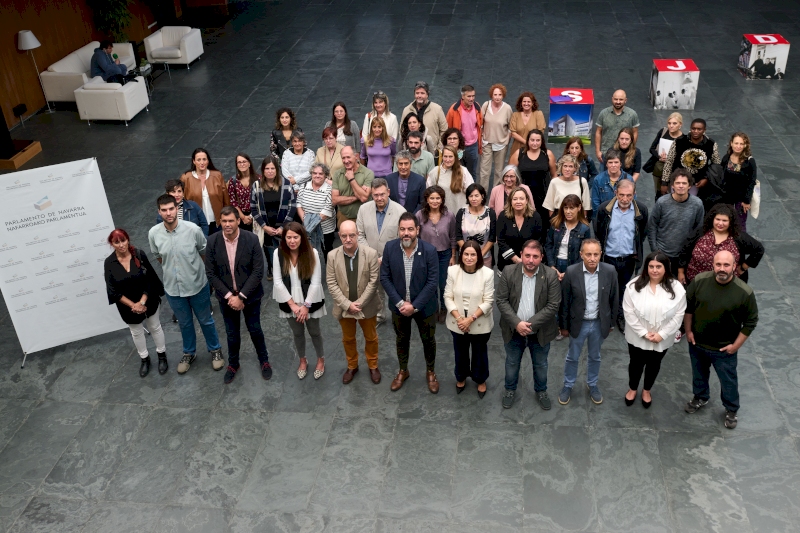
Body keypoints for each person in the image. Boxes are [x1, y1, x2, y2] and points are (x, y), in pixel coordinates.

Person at [149, 195, 224, 374]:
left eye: (171, 209)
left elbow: (204, 253)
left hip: (197, 284)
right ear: (159, 211)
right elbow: (159, 257)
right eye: (164, 210)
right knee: (184, 323)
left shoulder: (193, 229)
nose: (168, 213)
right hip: (173, 289)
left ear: (177, 208)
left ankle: (215, 350)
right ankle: (189, 353)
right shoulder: (154, 233)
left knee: (206, 320)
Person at [683, 251, 758, 430]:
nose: (722, 269)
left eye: (726, 265)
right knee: (698, 374)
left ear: (734, 266)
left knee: (728, 381)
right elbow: (689, 308)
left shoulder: (744, 292)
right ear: (713, 265)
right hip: (698, 343)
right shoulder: (700, 281)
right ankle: (700, 397)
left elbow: (750, 322)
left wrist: (735, 346)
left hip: (724, 349)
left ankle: (731, 409)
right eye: (718, 265)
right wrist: (688, 331)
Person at [204, 207, 271, 384]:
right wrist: (229, 296)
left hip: (250, 296)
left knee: (255, 330)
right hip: (226, 299)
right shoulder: (212, 241)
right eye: (224, 221)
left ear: (238, 221)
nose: (227, 225)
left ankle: (264, 361)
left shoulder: (251, 239)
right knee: (231, 333)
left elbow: (258, 271)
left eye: (231, 221)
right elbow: (211, 273)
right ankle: (233, 364)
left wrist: (240, 297)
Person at [497, 239, 561, 410]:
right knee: (511, 363)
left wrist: (529, 325)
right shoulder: (509, 272)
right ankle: (509, 390)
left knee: (540, 364)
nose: (530, 260)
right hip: (513, 329)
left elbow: (553, 305)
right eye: (527, 256)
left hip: (540, 332)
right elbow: (501, 301)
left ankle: (541, 391)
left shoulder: (550, 275)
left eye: (535, 256)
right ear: (521, 255)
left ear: (541, 257)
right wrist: (517, 323)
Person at [380, 212, 440, 393]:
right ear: (398, 230)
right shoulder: (390, 248)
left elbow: (432, 282)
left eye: (410, 229)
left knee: (428, 340)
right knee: (401, 339)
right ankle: (403, 370)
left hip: (424, 308)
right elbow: (385, 277)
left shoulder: (429, 250)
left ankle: (431, 372)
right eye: (403, 229)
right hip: (399, 308)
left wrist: (414, 306)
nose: (406, 233)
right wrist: (400, 304)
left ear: (418, 230)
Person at [558, 239, 619, 406]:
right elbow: (565, 302)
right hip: (579, 323)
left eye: (596, 254)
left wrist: (612, 323)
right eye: (588, 254)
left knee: (595, 356)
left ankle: (592, 384)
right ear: (581, 255)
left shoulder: (610, 271)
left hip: (599, 323)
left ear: (601, 254)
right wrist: (563, 326)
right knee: (573, 357)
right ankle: (568, 385)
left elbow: (614, 299)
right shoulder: (571, 272)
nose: (592, 258)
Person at [622, 251, 687, 408]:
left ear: (666, 267)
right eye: (651, 266)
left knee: (654, 364)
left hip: (662, 339)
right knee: (635, 364)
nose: (655, 270)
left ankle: (646, 390)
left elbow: (679, 315)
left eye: (659, 266)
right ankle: (632, 388)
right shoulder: (633, 286)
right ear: (646, 267)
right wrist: (644, 333)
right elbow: (628, 312)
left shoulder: (677, 288)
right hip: (637, 337)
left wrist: (662, 334)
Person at [105, 228, 167, 377]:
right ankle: (144, 359)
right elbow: (112, 291)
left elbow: (151, 279)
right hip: (127, 306)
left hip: (148, 299)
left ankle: (162, 356)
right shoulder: (109, 263)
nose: (121, 245)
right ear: (111, 244)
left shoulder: (139, 254)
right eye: (116, 242)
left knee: (155, 327)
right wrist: (133, 305)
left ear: (128, 240)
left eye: (123, 240)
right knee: (136, 332)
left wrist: (142, 301)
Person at [327, 221, 382, 384]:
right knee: (348, 339)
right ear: (339, 236)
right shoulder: (332, 256)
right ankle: (352, 365)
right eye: (344, 236)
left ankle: (373, 365)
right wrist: (347, 305)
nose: (348, 239)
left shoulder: (371, 253)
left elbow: (374, 282)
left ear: (357, 234)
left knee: (371, 337)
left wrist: (358, 303)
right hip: (344, 308)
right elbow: (331, 282)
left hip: (367, 306)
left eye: (351, 235)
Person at [272, 222, 327, 380]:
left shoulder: (312, 253)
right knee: (297, 333)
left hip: (310, 300)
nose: (292, 241)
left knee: (315, 332)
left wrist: (306, 307)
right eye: (288, 237)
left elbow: (316, 282)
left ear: (302, 237)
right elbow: (277, 282)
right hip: (289, 301)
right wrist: (294, 306)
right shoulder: (278, 253)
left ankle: (320, 359)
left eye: (295, 237)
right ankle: (302, 360)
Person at [594, 180, 649, 331]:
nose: (625, 199)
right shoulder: (604, 209)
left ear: (634, 194)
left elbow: (641, 233)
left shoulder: (641, 210)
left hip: (628, 258)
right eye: (622, 195)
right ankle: (605, 317)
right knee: (606, 288)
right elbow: (598, 231)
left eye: (629, 195)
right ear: (615, 193)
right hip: (608, 257)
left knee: (624, 289)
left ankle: (619, 316)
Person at [443, 240, 495, 398]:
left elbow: (488, 301)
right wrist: (460, 319)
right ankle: (461, 376)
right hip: (457, 321)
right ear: (461, 255)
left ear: (479, 256)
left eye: (473, 254)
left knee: (479, 353)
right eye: (466, 254)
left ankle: (480, 379)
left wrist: (470, 319)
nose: (469, 257)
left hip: (479, 321)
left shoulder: (487, 273)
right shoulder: (453, 271)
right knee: (460, 351)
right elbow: (447, 296)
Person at [678, 203, 764, 285]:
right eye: (718, 219)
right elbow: (685, 249)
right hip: (697, 282)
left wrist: (743, 268)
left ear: (730, 222)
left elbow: (759, 249)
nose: (720, 223)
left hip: (728, 285)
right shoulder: (701, 232)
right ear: (712, 219)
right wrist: (681, 272)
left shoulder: (738, 237)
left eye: (724, 220)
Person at [356, 178, 405, 322]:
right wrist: (372, 256)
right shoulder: (363, 209)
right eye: (376, 195)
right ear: (371, 194)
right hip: (370, 258)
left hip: (394, 258)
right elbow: (359, 234)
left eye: (382, 194)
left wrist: (384, 258)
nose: (379, 198)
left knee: (396, 289)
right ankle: (379, 315)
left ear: (388, 192)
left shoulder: (400, 211)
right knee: (375, 289)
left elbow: (402, 238)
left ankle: (400, 315)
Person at [648, 169, 705, 279]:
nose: (681, 186)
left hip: (684, 256)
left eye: (684, 183)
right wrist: (655, 250)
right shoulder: (662, 202)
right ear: (672, 186)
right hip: (662, 254)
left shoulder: (697, 204)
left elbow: (698, 230)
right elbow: (652, 227)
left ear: (689, 186)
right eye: (678, 183)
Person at [251, 155, 297, 280]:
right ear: (263, 171)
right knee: (272, 257)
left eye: (272, 168)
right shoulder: (256, 186)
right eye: (267, 169)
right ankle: (276, 278)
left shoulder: (286, 184)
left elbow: (292, 207)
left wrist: (283, 227)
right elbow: (253, 209)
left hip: (284, 230)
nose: (270, 171)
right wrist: (264, 227)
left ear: (277, 170)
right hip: (267, 230)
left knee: (286, 258)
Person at [415, 185, 457, 323]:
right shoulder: (420, 215)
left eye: (438, 198)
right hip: (426, 255)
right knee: (429, 284)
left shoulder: (449, 215)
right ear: (427, 199)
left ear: (442, 199)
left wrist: (453, 256)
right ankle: (433, 309)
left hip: (444, 254)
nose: (435, 201)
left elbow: (453, 237)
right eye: (432, 198)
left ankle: (444, 309)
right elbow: (417, 238)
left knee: (444, 284)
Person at [508, 129, 557, 233]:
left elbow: (554, 176)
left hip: (544, 196)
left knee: (543, 226)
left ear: (542, 141)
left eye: (538, 140)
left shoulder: (548, 154)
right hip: (523, 197)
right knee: (525, 225)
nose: (535, 143)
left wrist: (553, 195)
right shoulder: (519, 154)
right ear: (528, 141)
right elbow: (509, 175)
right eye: (532, 140)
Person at [661, 118, 721, 196]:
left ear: (704, 130)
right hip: (678, 182)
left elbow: (716, 165)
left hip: (697, 184)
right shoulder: (679, 141)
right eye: (693, 128)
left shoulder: (711, 144)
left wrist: (707, 178)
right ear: (690, 129)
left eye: (699, 129)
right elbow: (669, 162)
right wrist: (664, 183)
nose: (695, 131)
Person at [180, 148, 230, 235]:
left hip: (216, 222)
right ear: (194, 161)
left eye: (204, 159)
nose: (202, 162)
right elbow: (181, 200)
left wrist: (226, 218)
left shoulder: (217, 175)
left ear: (208, 161)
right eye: (198, 160)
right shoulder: (186, 178)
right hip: (196, 223)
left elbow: (226, 200)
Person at [497, 187, 544, 271]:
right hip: (506, 264)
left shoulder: (535, 217)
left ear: (526, 200)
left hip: (529, 263)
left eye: (521, 199)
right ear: (510, 201)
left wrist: (526, 259)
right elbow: (501, 241)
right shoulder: (503, 216)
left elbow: (538, 240)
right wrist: (516, 259)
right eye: (515, 199)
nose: (518, 202)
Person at [720, 132, 758, 231]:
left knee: (740, 224)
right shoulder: (726, 158)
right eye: (736, 143)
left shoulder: (749, 162)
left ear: (745, 145)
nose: (738, 146)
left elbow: (751, 182)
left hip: (741, 199)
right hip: (727, 197)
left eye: (741, 144)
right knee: (724, 222)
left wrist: (747, 201)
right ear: (731, 143)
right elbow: (721, 175)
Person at [545, 194, 591, 276]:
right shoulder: (556, 224)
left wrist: (571, 271)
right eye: (565, 208)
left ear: (579, 208)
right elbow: (548, 245)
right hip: (555, 263)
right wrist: (551, 266)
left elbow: (585, 253)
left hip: (574, 267)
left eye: (571, 208)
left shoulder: (585, 229)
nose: (568, 211)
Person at [297, 163, 336, 258]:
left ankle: (329, 272)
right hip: (307, 228)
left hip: (325, 229)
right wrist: (306, 222)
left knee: (327, 253)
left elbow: (326, 212)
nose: (317, 176)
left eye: (320, 174)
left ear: (326, 175)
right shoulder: (303, 186)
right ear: (311, 174)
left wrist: (309, 225)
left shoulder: (330, 190)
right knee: (309, 254)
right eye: (314, 173)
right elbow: (299, 205)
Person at [643, 112, 684, 200]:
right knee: (658, 192)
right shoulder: (663, 132)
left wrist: (670, 159)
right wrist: (659, 157)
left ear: (680, 124)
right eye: (669, 123)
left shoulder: (683, 139)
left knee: (671, 193)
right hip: (659, 168)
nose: (671, 126)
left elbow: (682, 158)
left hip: (673, 169)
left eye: (674, 123)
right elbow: (652, 148)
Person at [479, 83, 513, 189]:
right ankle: (482, 193)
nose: (497, 97)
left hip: (501, 144)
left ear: (503, 96)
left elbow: (511, 127)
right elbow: (480, 122)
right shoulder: (486, 105)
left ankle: (496, 193)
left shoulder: (507, 108)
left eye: (500, 95)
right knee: (484, 171)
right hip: (487, 142)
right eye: (495, 94)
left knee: (499, 172)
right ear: (491, 95)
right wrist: (481, 138)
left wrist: (507, 140)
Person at [594, 89, 640, 167]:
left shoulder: (632, 114)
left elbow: (635, 132)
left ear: (625, 100)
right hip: (606, 154)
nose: (618, 102)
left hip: (625, 155)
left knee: (624, 178)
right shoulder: (603, 113)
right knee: (604, 178)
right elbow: (598, 132)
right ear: (612, 99)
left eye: (621, 99)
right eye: (616, 99)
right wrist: (598, 151)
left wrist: (631, 148)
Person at [445, 84, 483, 179]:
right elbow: (448, 128)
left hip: (473, 146)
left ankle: (471, 192)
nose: (471, 99)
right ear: (462, 96)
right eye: (469, 96)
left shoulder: (477, 107)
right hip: (459, 147)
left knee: (472, 173)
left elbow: (480, 124)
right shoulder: (454, 110)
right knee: (458, 171)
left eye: (473, 96)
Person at [400, 81, 448, 153]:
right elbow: (402, 129)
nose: (419, 96)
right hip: (410, 152)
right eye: (417, 93)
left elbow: (444, 130)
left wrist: (438, 148)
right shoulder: (407, 110)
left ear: (427, 94)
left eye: (422, 93)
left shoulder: (437, 109)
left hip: (432, 152)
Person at [331, 146, 375, 225]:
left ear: (356, 157)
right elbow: (334, 200)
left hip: (364, 218)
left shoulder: (368, 173)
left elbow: (364, 198)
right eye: (343, 158)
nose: (346, 161)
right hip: (343, 217)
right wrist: (357, 196)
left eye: (348, 157)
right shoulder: (337, 174)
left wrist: (351, 179)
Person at [456, 184, 497, 268]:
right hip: (465, 257)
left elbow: (492, 238)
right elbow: (458, 236)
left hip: (484, 256)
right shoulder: (461, 212)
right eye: (471, 196)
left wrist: (479, 255)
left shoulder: (490, 213)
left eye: (476, 196)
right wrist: (469, 254)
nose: (473, 199)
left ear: (482, 196)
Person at [427, 145, 474, 215]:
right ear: (442, 157)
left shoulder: (463, 171)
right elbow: (428, 193)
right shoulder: (435, 172)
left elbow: (471, 192)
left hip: (459, 214)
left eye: (450, 157)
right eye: (445, 156)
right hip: (441, 215)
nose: (448, 159)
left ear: (455, 157)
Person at [542, 154, 592, 219]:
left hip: (577, 217)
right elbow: (550, 206)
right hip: (559, 216)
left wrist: (583, 220)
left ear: (575, 168)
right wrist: (554, 222)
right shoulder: (554, 182)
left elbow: (586, 205)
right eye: (565, 166)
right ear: (561, 167)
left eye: (570, 166)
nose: (567, 169)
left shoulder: (582, 181)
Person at [509, 92, 546, 156]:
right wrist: (527, 142)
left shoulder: (538, 114)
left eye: (529, 102)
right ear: (521, 103)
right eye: (524, 101)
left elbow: (540, 132)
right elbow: (513, 133)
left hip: (533, 148)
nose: (526, 103)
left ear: (532, 103)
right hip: (517, 148)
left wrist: (531, 144)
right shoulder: (515, 115)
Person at [228, 153, 257, 232]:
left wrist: (252, 216)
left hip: (256, 215)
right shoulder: (233, 180)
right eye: (239, 162)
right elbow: (233, 201)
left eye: (244, 161)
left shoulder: (258, 179)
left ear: (249, 163)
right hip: (240, 216)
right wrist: (243, 217)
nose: (242, 164)